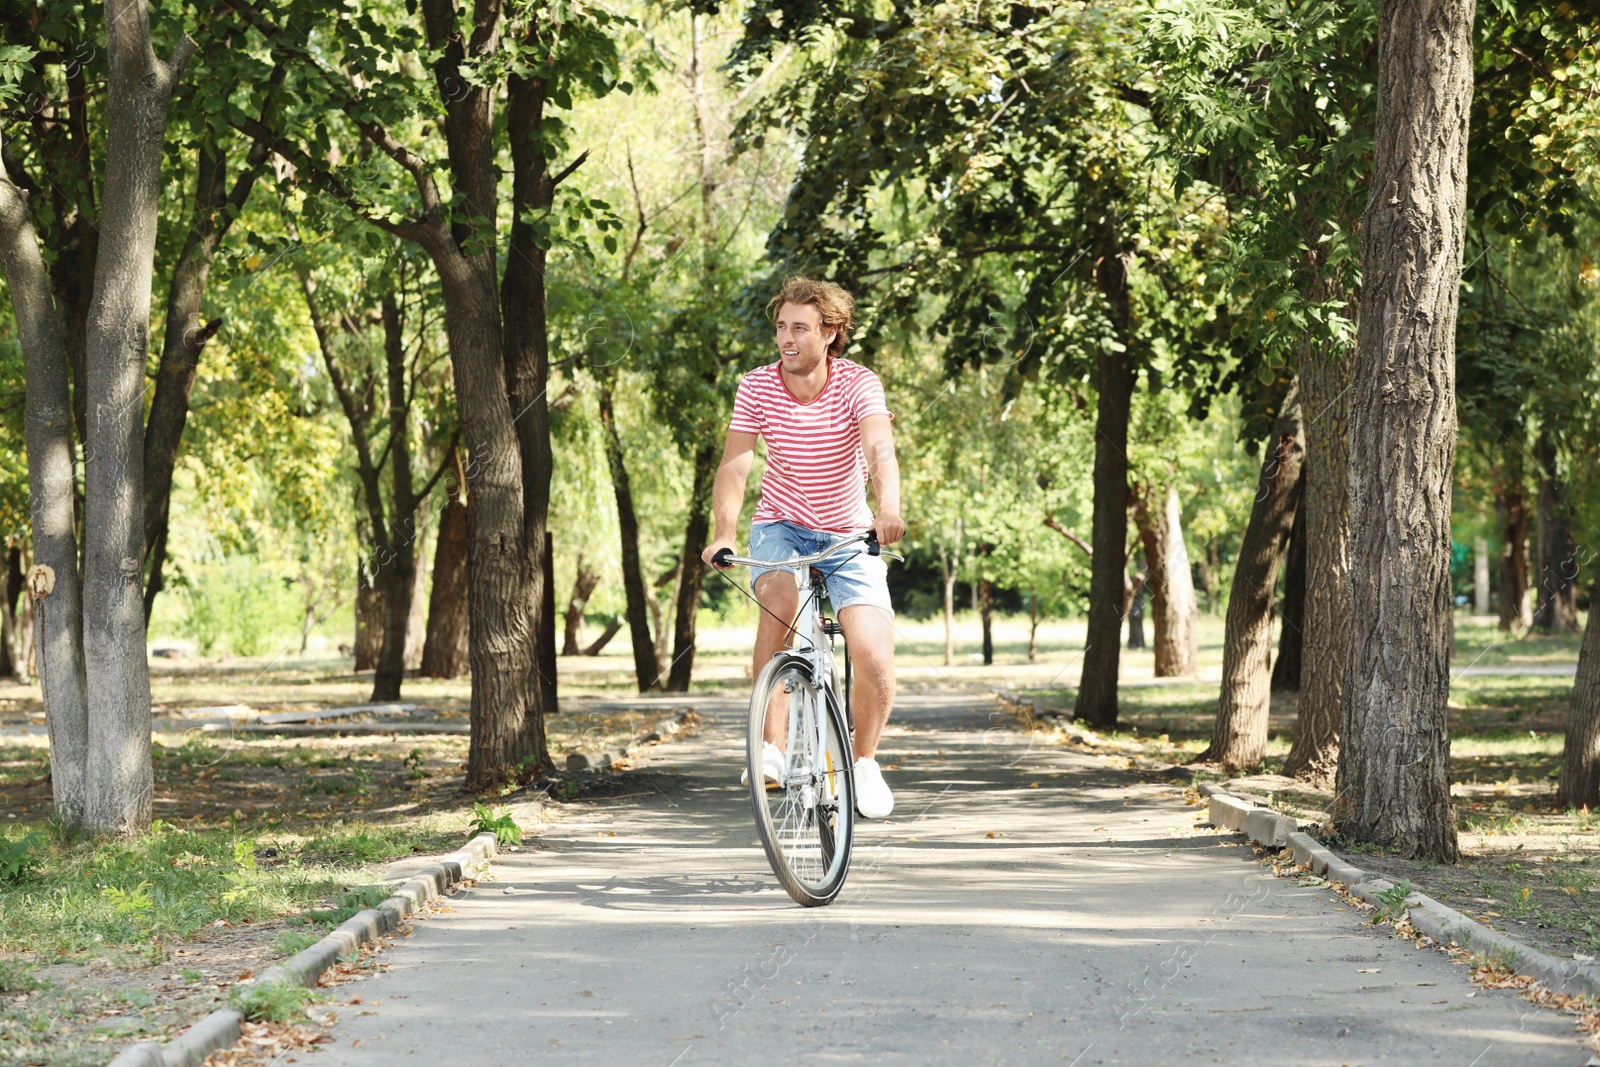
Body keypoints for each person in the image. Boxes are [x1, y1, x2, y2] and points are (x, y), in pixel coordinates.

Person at [702, 276, 905, 819]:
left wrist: (888, 508)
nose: (786, 339)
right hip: (781, 526)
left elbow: (880, 449)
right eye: (780, 328)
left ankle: (862, 764)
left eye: (799, 328)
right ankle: (769, 748)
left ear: (830, 332)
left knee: (873, 654)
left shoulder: (860, 385)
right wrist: (723, 533)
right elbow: (735, 465)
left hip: (848, 534)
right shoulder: (757, 386)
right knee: (780, 602)